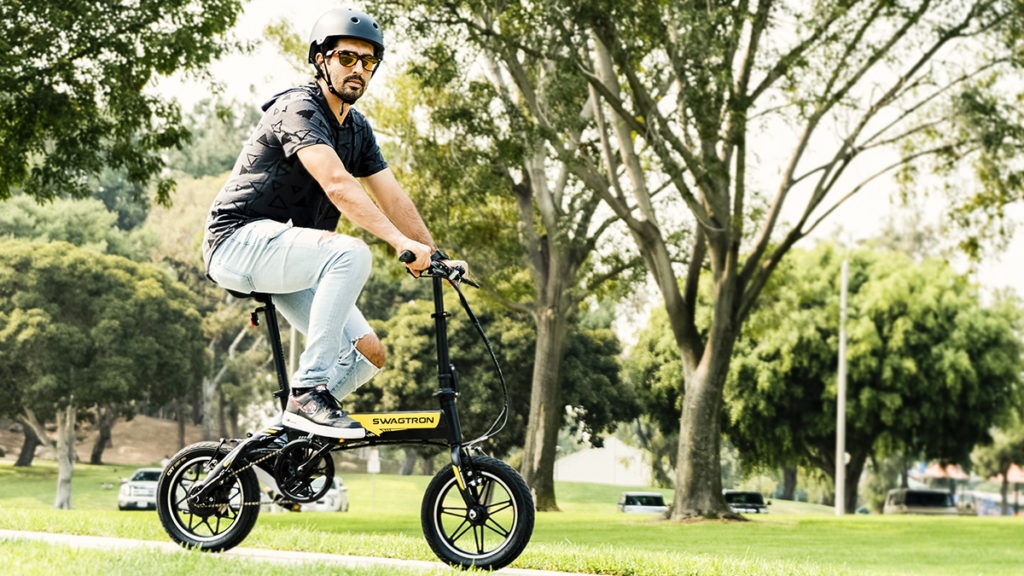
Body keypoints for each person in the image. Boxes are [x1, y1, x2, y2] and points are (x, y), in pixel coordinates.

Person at [201, 7, 464, 440]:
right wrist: (400, 244)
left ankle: (288, 439)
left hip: (288, 255)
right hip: (237, 240)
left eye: (368, 61)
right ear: (321, 60)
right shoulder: (297, 108)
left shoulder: (357, 129)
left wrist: (433, 254)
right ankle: (308, 393)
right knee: (350, 251)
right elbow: (338, 184)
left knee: (368, 354)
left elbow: (391, 196)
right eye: (347, 58)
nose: (358, 69)